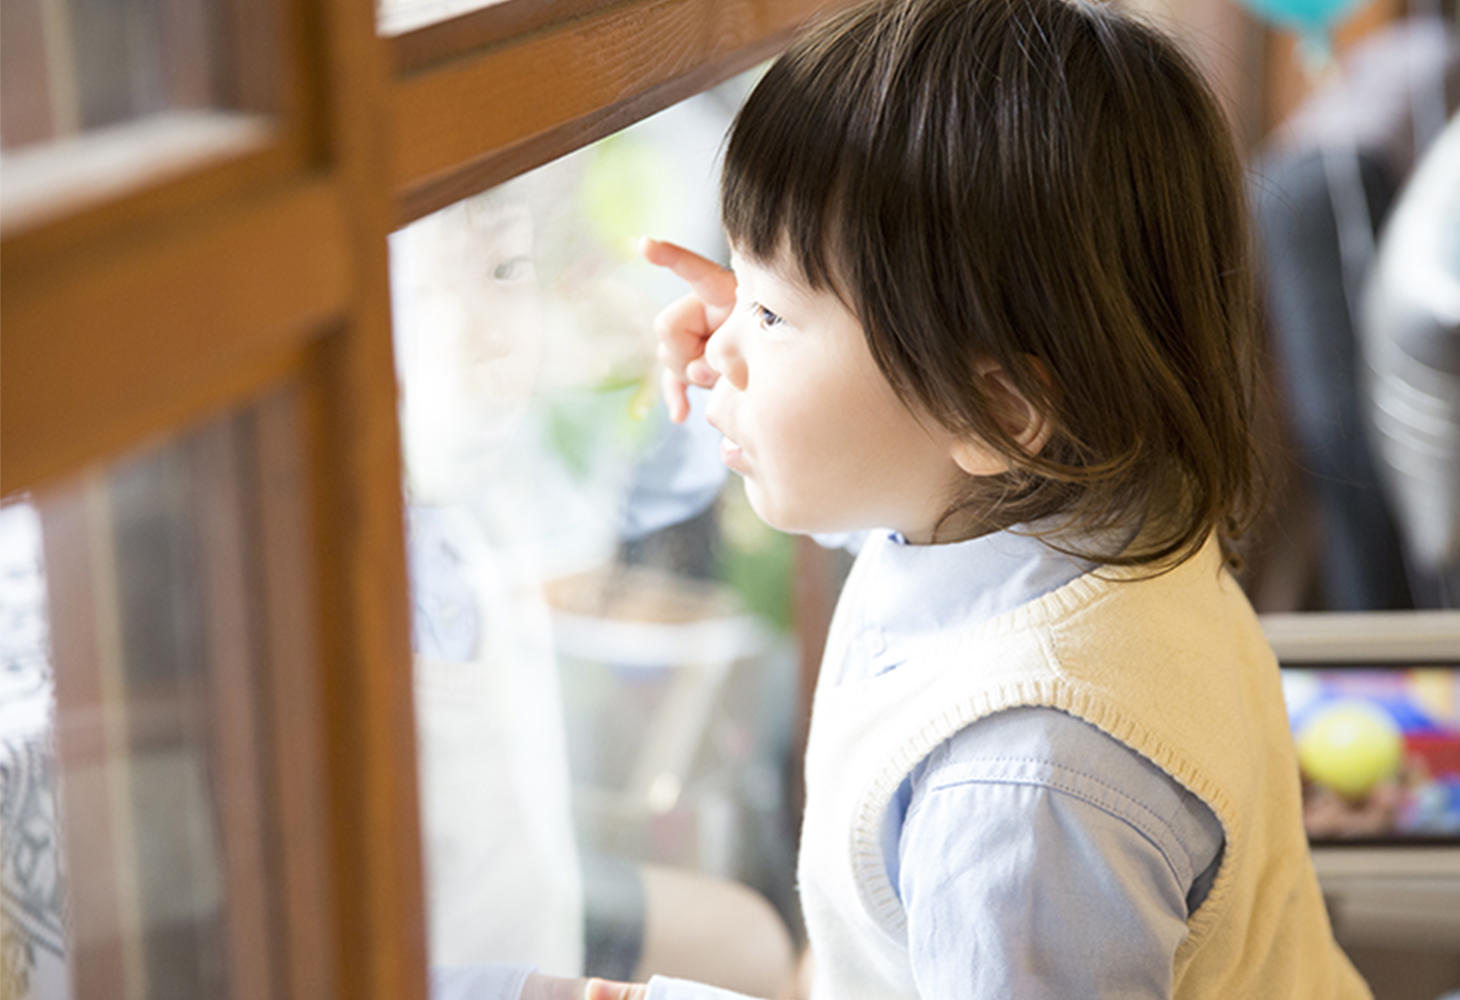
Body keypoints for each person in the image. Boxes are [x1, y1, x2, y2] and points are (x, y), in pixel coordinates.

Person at [536, 0, 1374, 996]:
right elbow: (905, 469)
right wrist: (782, 333)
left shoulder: (1023, 791)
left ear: (994, 410)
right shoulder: (1096, 511)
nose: (721, 345)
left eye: (769, 312)